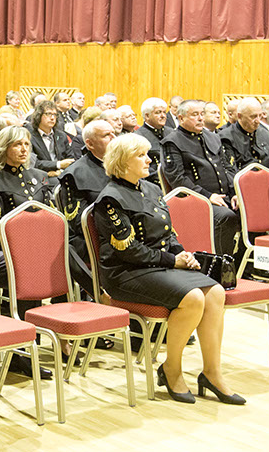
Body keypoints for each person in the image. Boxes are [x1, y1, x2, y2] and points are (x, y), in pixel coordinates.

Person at [91, 134, 241, 405]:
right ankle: (172, 368)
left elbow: (167, 232)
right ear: (123, 161)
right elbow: (128, 250)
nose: (149, 160)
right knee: (193, 298)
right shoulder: (110, 199)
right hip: (125, 273)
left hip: (158, 266)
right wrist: (172, 261)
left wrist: (181, 252)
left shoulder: (151, 188)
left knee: (216, 292)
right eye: (141, 155)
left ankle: (212, 372)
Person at [161, 100, 241, 257]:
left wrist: (234, 193)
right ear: (181, 118)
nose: (200, 118)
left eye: (202, 114)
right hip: (195, 201)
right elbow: (177, 179)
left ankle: (240, 263)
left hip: (222, 198)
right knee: (226, 216)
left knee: (248, 212)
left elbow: (227, 168)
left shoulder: (213, 137)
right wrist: (207, 196)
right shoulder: (172, 142)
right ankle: (218, 263)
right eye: (194, 115)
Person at [56, 118, 118, 296]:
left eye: (114, 133)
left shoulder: (123, 165)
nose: (114, 138)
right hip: (92, 238)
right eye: (107, 135)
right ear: (90, 144)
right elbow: (78, 222)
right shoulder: (74, 174)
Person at [28, 99, 74, 176]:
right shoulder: (29, 137)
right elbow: (34, 163)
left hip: (62, 175)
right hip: (40, 176)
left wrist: (60, 171)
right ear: (38, 115)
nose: (52, 118)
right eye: (48, 114)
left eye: (55, 114)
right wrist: (58, 165)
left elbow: (71, 159)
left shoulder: (62, 136)